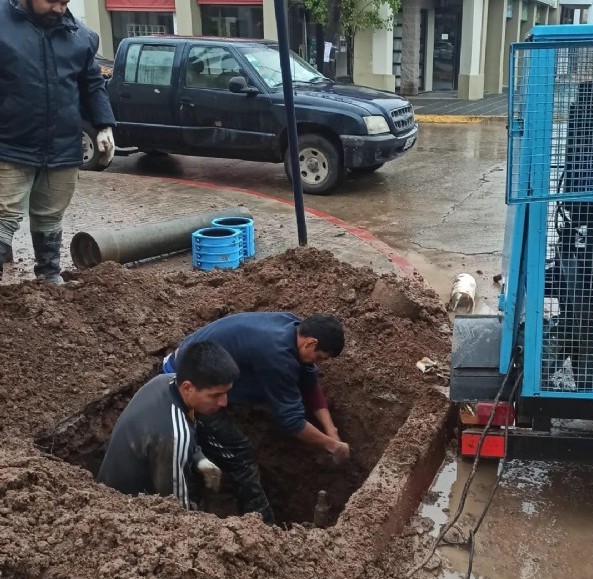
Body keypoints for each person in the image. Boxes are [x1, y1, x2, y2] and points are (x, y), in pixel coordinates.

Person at [162, 312, 350, 524]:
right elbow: (292, 420)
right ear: (311, 343)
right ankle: (261, 524)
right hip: (185, 387)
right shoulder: (277, 355)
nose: (318, 362)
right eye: (320, 358)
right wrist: (331, 446)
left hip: (198, 366)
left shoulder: (293, 327)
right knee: (242, 454)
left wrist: (331, 431)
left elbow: (309, 382)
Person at [0, 0, 116, 283]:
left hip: (62, 147)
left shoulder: (81, 36)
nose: (59, 9)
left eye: (64, 2)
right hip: (10, 143)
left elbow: (92, 84)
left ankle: (49, 278)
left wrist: (104, 125)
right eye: (51, 1)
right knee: (3, 217)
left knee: (51, 215)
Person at [97, 341, 239, 509]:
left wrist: (198, 457)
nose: (224, 402)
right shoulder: (174, 436)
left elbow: (186, 426)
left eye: (225, 393)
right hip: (125, 513)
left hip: (106, 488)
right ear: (188, 388)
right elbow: (175, 510)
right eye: (215, 395)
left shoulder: (164, 381)